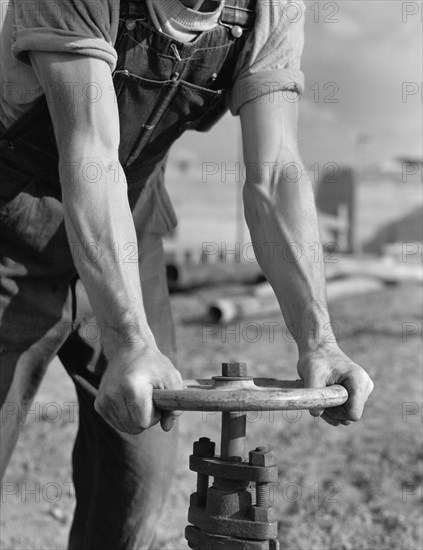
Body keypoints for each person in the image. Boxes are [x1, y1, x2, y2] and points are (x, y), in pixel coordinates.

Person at [0, 0, 374, 548]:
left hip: (129, 227)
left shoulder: (268, 9)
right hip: (12, 236)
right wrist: (129, 340)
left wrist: (320, 341)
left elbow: (274, 175)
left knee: (137, 476)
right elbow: (89, 157)